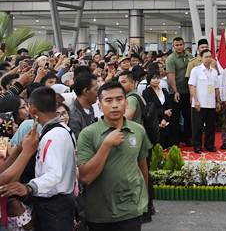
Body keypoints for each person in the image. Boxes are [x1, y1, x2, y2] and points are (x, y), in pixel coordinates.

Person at [0, 86, 76, 231]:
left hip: (55, 208)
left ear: (33, 109)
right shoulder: (59, 131)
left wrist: (29, 187)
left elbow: (54, 174)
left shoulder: (54, 135)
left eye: (26, 106)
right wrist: (23, 151)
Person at [76, 81, 149, 231]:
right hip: (100, 214)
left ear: (126, 102)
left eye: (119, 99)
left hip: (131, 211)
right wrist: (106, 145)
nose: (115, 105)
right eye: (108, 100)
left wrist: (144, 198)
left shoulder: (138, 130)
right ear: (100, 105)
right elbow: (85, 177)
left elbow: (142, 166)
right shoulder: (88, 134)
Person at [188, 49, 221, 153]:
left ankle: (209, 145)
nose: (208, 59)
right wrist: (196, 100)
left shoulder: (214, 71)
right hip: (199, 103)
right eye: (206, 57)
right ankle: (197, 146)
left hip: (211, 103)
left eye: (210, 57)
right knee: (197, 126)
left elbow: (216, 88)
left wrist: (218, 101)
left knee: (211, 126)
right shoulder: (196, 70)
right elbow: (192, 86)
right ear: (201, 58)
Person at [165, 37, 192, 146]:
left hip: (188, 91)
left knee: (188, 117)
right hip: (176, 92)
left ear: (184, 45)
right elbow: (171, 76)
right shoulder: (171, 59)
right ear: (173, 46)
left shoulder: (190, 56)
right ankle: (174, 141)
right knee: (175, 118)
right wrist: (175, 91)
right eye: (177, 45)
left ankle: (187, 138)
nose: (179, 47)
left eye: (181, 44)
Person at [142, 67, 174, 148]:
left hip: (166, 122)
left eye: (157, 78)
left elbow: (169, 107)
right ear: (149, 80)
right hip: (154, 123)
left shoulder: (164, 91)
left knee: (166, 147)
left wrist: (165, 119)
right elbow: (149, 109)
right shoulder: (146, 92)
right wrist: (163, 112)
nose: (156, 80)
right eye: (153, 78)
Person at [69, 72, 98, 138]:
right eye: (96, 89)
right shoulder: (73, 116)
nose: (98, 93)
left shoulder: (89, 107)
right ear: (85, 91)